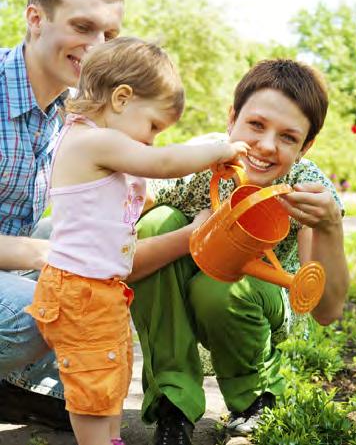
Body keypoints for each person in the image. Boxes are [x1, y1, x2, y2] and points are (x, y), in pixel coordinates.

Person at [24, 36, 248, 445]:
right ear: (122, 98)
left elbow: (134, 193)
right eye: (153, 127)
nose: (153, 141)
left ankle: (111, 439)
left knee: (111, 376)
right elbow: (162, 163)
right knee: (93, 383)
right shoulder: (94, 140)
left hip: (99, 288)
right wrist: (220, 150)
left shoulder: (100, 146)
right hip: (81, 290)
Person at [129, 59, 350, 444]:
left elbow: (327, 311)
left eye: (288, 137)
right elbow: (124, 247)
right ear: (232, 118)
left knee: (221, 286)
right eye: (256, 125)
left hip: (255, 306)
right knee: (156, 222)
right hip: (182, 298)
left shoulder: (305, 188)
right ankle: (173, 403)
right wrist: (191, 235)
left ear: (306, 147)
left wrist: (329, 225)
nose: (266, 146)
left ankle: (255, 397)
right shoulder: (202, 160)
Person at [0, 0, 125, 429]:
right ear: (36, 19)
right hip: (13, 260)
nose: (98, 47)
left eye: (109, 34)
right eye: (83, 27)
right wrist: (46, 255)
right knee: (45, 311)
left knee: (113, 253)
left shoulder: (68, 112)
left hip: (9, 257)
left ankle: (19, 386)